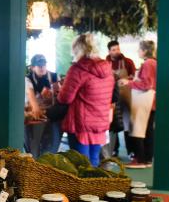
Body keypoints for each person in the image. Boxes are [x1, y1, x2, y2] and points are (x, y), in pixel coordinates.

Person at [56, 33, 115, 167]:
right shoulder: (107, 70)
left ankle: (82, 187)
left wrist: (61, 89)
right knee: (94, 161)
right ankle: (92, 187)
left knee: (80, 164)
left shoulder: (78, 69)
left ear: (77, 49)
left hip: (80, 123)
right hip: (99, 121)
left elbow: (65, 98)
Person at [118, 40, 156, 168]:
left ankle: (139, 159)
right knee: (148, 131)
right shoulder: (154, 63)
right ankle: (147, 158)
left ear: (145, 51)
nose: (138, 51)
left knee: (138, 129)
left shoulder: (148, 64)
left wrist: (127, 83)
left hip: (145, 101)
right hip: (151, 102)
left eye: (139, 49)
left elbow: (146, 84)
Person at [23, 54, 62, 157]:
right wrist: (36, 109)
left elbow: (59, 96)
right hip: (33, 118)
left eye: (43, 64)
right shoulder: (28, 79)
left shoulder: (54, 77)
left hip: (51, 116)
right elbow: (32, 100)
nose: (41, 67)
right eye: (38, 65)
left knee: (52, 146)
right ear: (32, 67)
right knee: (33, 146)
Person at [104, 40, 135, 158]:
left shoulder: (128, 62)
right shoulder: (105, 63)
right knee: (113, 125)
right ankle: (114, 150)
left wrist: (127, 80)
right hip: (111, 98)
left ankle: (131, 151)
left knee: (128, 125)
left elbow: (134, 77)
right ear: (109, 51)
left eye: (117, 49)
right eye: (113, 50)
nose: (116, 52)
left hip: (126, 98)